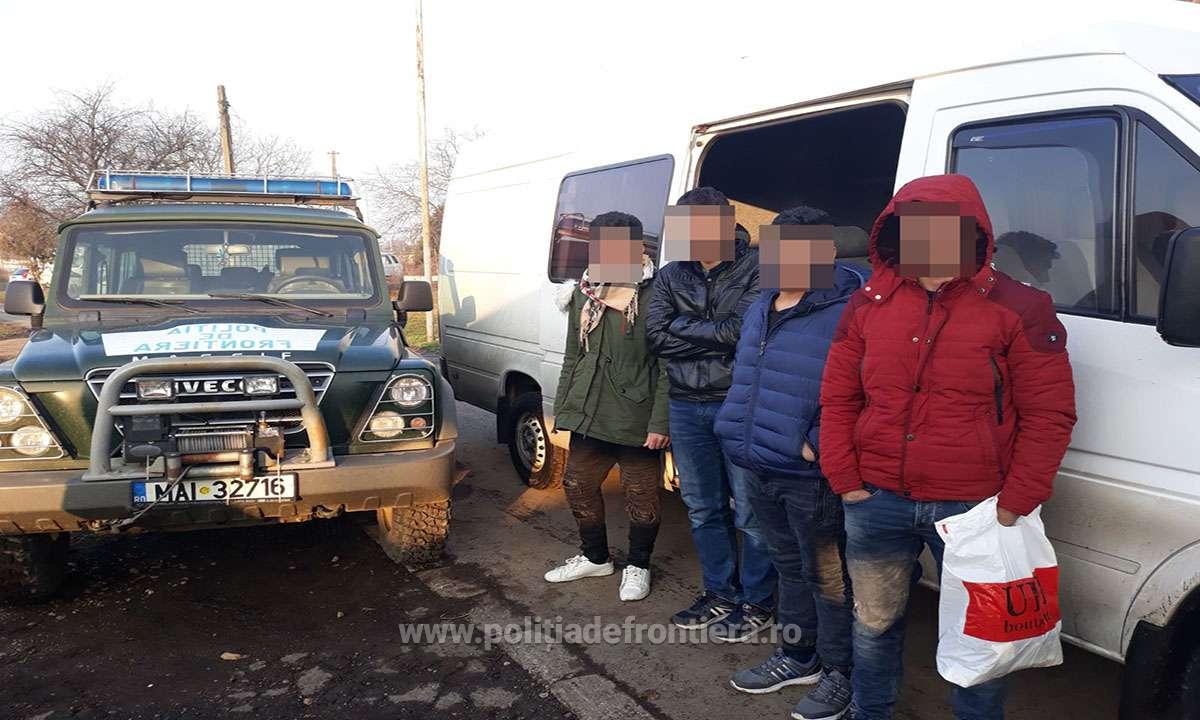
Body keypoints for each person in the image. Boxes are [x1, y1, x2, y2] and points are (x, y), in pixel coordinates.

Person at [819, 175, 1077, 720]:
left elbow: (1049, 414)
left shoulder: (1022, 306)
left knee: (982, 639)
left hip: (975, 509)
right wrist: (844, 476)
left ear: (973, 233)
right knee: (873, 624)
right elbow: (839, 396)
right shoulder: (869, 303)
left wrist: (1017, 500)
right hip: (877, 501)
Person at [714, 206, 861, 720]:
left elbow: (866, 388)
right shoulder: (762, 303)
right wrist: (735, 429)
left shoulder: (850, 307)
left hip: (809, 475)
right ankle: (799, 656)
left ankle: (841, 673)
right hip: (757, 461)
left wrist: (815, 443)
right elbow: (748, 373)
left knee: (829, 578)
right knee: (788, 568)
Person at [646, 186, 777, 640]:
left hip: (739, 404)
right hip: (685, 404)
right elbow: (655, 337)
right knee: (703, 508)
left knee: (751, 511)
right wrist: (713, 335)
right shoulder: (670, 275)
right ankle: (720, 592)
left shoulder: (758, 266)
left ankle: (758, 601)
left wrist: (682, 328)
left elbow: (744, 333)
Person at [544, 211, 671, 602]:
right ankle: (595, 557)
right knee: (577, 484)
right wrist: (564, 407)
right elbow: (574, 355)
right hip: (589, 411)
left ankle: (639, 565)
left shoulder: (656, 295)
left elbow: (667, 366)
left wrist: (660, 422)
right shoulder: (584, 291)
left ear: (637, 248)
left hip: (636, 415)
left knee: (641, 496)